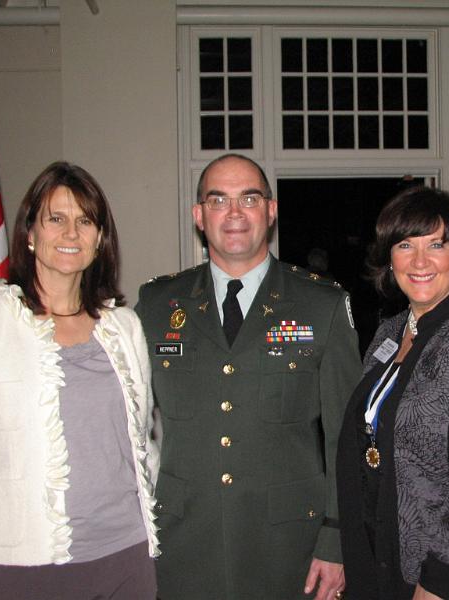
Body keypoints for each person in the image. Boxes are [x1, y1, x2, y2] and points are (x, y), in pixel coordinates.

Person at [0, 162, 160, 600]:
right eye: (56, 219)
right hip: (23, 566)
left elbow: (140, 443)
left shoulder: (125, 326)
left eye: (85, 221)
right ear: (30, 234)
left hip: (127, 556)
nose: (71, 233)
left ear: (100, 239)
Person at [135, 153, 362, 600]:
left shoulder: (321, 304)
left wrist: (337, 541)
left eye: (249, 198)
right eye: (218, 200)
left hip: (289, 545)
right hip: (181, 541)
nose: (234, 212)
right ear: (199, 215)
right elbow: (128, 425)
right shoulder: (158, 305)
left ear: (271, 210)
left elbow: (346, 437)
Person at [336, 186, 449, 600]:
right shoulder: (390, 332)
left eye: (436, 244)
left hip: (443, 578)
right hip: (384, 556)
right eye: (405, 245)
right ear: (390, 257)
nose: (420, 261)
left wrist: (439, 584)